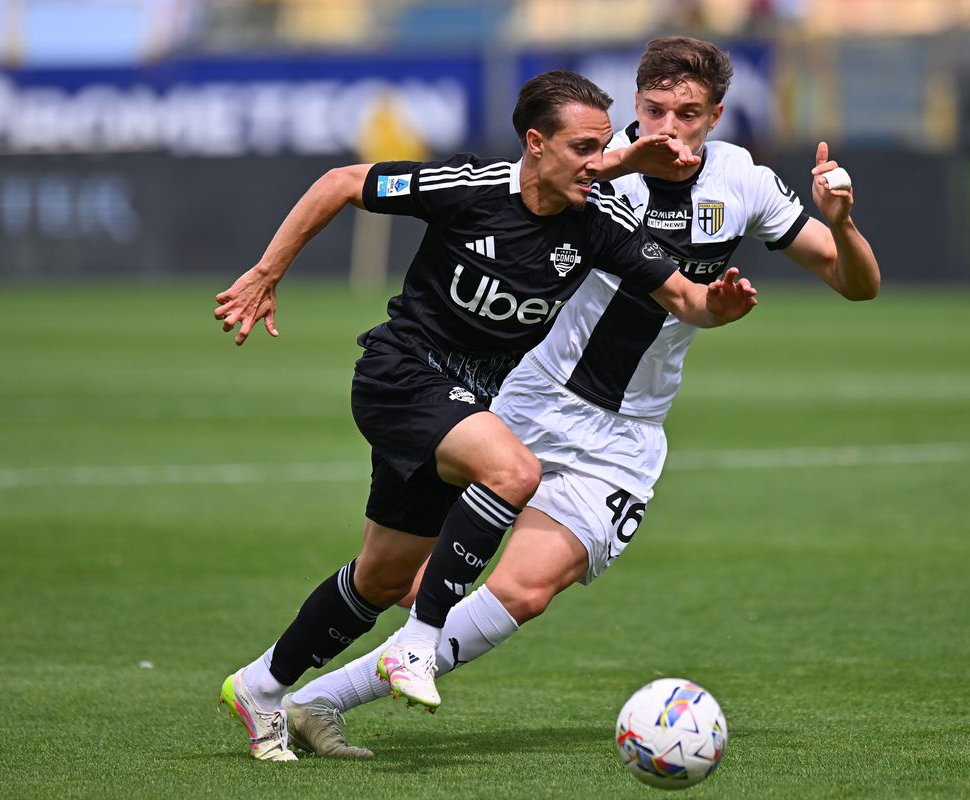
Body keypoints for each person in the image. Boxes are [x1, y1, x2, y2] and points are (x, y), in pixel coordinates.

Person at [281, 36, 880, 759]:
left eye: (688, 113)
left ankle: (319, 701)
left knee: (526, 592)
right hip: (532, 398)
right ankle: (280, 679)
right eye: (654, 110)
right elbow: (521, 188)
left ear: (717, 115)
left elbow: (857, 283)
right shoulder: (593, 168)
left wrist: (841, 223)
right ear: (636, 105)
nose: (669, 127)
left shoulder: (742, 182)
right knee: (393, 574)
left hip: (629, 430)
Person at [213, 68, 758, 761]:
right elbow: (341, 182)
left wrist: (718, 306)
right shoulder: (469, 188)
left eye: (603, 148)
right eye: (584, 149)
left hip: (466, 402)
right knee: (514, 471)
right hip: (401, 375)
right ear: (536, 143)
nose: (600, 164)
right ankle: (417, 643)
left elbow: (686, 298)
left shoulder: (599, 224)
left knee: (382, 577)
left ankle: (260, 686)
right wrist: (267, 272)